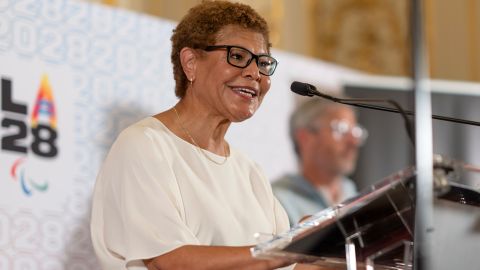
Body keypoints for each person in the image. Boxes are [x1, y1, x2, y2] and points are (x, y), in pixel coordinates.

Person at [90, 1, 302, 269]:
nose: (254, 73)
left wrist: (322, 245)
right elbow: (171, 262)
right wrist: (286, 249)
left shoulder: (250, 172)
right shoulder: (145, 145)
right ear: (191, 63)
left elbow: (286, 266)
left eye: (263, 63)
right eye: (237, 57)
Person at [272, 98, 368, 226]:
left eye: (355, 132)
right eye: (341, 130)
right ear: (305, 138)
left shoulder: (354, 196)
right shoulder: (277, 202)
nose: (353, 142)